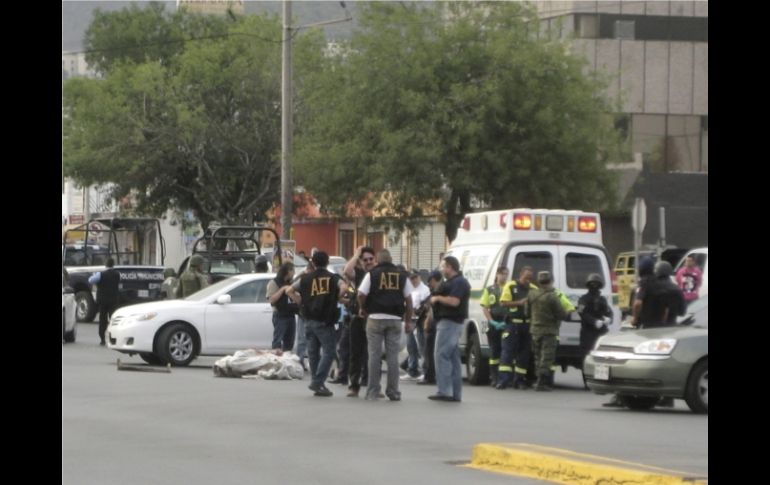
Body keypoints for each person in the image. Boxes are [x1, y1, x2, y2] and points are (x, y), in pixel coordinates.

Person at [287, 251, 346, 397]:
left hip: (308, 319)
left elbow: (289, 290)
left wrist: (301, 302)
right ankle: (318, 381)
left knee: (313, 353)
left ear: (313, 263)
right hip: (325, 320)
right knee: (329, 351)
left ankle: (317, 383)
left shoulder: (306, 278)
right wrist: (336, 298)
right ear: (327, 262)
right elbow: (344, 288)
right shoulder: (332, 278)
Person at [357, 249, 414, 401]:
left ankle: (373, 391)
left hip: (375, 317)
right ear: (391, 259)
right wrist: (408, 321)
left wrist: (363, 308)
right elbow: (409, 301)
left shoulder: (372, 274)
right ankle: (393, 391)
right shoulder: (402, 276)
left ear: (378, 260)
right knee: (393, 357)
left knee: (374, 356)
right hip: (395, 319)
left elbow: (361, 294)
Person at [428, 256, 470, 403]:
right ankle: (454, 393)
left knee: (441, 355)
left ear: (450, 267)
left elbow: (454, 301)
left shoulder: (459, 282)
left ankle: (445, 391)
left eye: (443, 266)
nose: (442, 269)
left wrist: (438, 299)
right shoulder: (451, 282)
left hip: (450, 322)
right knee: (452, 359)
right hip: (449, 322)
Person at [343, 246, 377, 397]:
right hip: (358, 318)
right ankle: (354, 386)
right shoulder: (360, 274)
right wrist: (356, 254)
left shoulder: (379, 274)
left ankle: (372, 385)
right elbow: (347, 271)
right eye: (365, 260)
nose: (368, 262)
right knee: (355, 353)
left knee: (373, 354)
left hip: (375, 319)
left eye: (371, 259)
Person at [497, 266, 537, 390]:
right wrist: (519, 303)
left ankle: (519, 380)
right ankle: (503, 380)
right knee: (507, 352)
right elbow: (503, 302)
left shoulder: (534, 289)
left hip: (527, 324)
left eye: (530, 278)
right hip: (513, 324)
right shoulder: (511, 286)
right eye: (526, 278)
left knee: (524, 353)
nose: (528, 281)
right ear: (521, 275)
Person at [528, 271, 568, 391]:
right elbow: (561, 314)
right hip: (549, 331)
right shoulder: (552, 296)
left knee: (537, 356)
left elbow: (526, 311)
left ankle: (538, 380)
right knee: (547, 357)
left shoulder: (531, 294)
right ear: (551, 281)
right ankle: (542, 382)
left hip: (535, 329)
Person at [633, 261, 686, 329]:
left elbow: (639, 303)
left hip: (652, 325)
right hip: (672, 326)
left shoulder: (651, 286)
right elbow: (682, 312)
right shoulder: (677, 289)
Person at [479, 266, 509, 387]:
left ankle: (505, 378)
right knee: (494, 351)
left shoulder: (509, 288)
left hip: (506, 322)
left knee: (506, 351)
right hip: (494, 322)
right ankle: (494, 377)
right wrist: (492, 321)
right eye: (502, 274)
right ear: (497, 274)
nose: (504, 276)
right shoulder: (490, 289)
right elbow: (485, 307)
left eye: (506, 274)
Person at [402, 270, 431, 381]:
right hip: (410, 319)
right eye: (411, 278)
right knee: (411, 346)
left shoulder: (425, 290)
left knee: (422, 346)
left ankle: (425, 370)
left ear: (419, 277)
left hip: (420, 321)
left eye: (415, 278)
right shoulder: (409, 288)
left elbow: (426, 306)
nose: (413, 280)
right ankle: (412, 369)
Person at [577, 273, 612, 357]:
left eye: (596, 284)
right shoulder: (583, 299)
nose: (594, 286)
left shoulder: (602, 299)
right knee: (587, 355)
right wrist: (594, 321)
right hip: (588, 332)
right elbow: (581, 313)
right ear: (588, 285)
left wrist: (609, 318)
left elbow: (609, 311)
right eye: (592, 284)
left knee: (602, 354)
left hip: (601, 331)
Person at [88, 258, 120, 346]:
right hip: (113, 300)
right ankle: (114, 338)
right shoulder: (117, 274)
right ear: (113, 265)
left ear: (106, 264)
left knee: (102, 320)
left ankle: (102, 339)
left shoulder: (100, 274)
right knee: (113, 319)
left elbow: (90, 280)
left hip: (102, 300)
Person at [267, 262, 298, 351]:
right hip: (280, 315)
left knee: (289, 342)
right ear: (288, 271)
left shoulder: (291, 282)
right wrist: (283, 289)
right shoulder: (274, 283)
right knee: (278, 340)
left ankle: (286, 359)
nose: (294, 273)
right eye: (293, 271)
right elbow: (272, 300)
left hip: (290, 314)